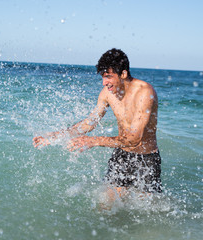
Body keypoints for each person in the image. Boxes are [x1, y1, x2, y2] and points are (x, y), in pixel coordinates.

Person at [33, 48, 162, 206]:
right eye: (102, 77)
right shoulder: (107, 93)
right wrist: (56, 136)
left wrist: (94, 141)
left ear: (123, 74)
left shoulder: (144, 93)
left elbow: (134, 139)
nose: (104, 82)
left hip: (146, 159)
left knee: (147, 215)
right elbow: (89, 123)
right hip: (122, 155)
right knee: (106, 206)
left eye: (108, 77)